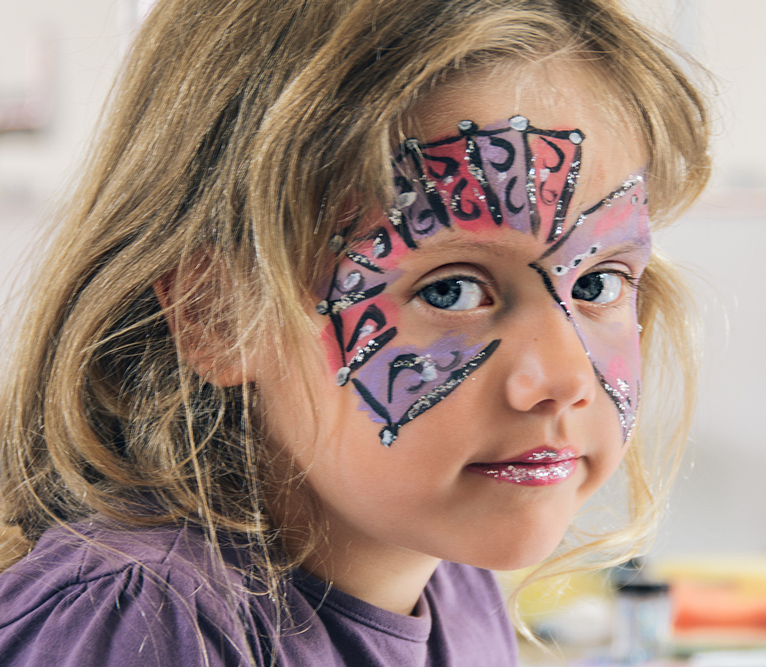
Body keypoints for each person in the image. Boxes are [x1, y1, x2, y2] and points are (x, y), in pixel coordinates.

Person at [0, 0, 710, 664]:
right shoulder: (149, 619)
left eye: (597, 284)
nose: (564, 379)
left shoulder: (454, 585)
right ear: (219, 315)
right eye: (452, 289)